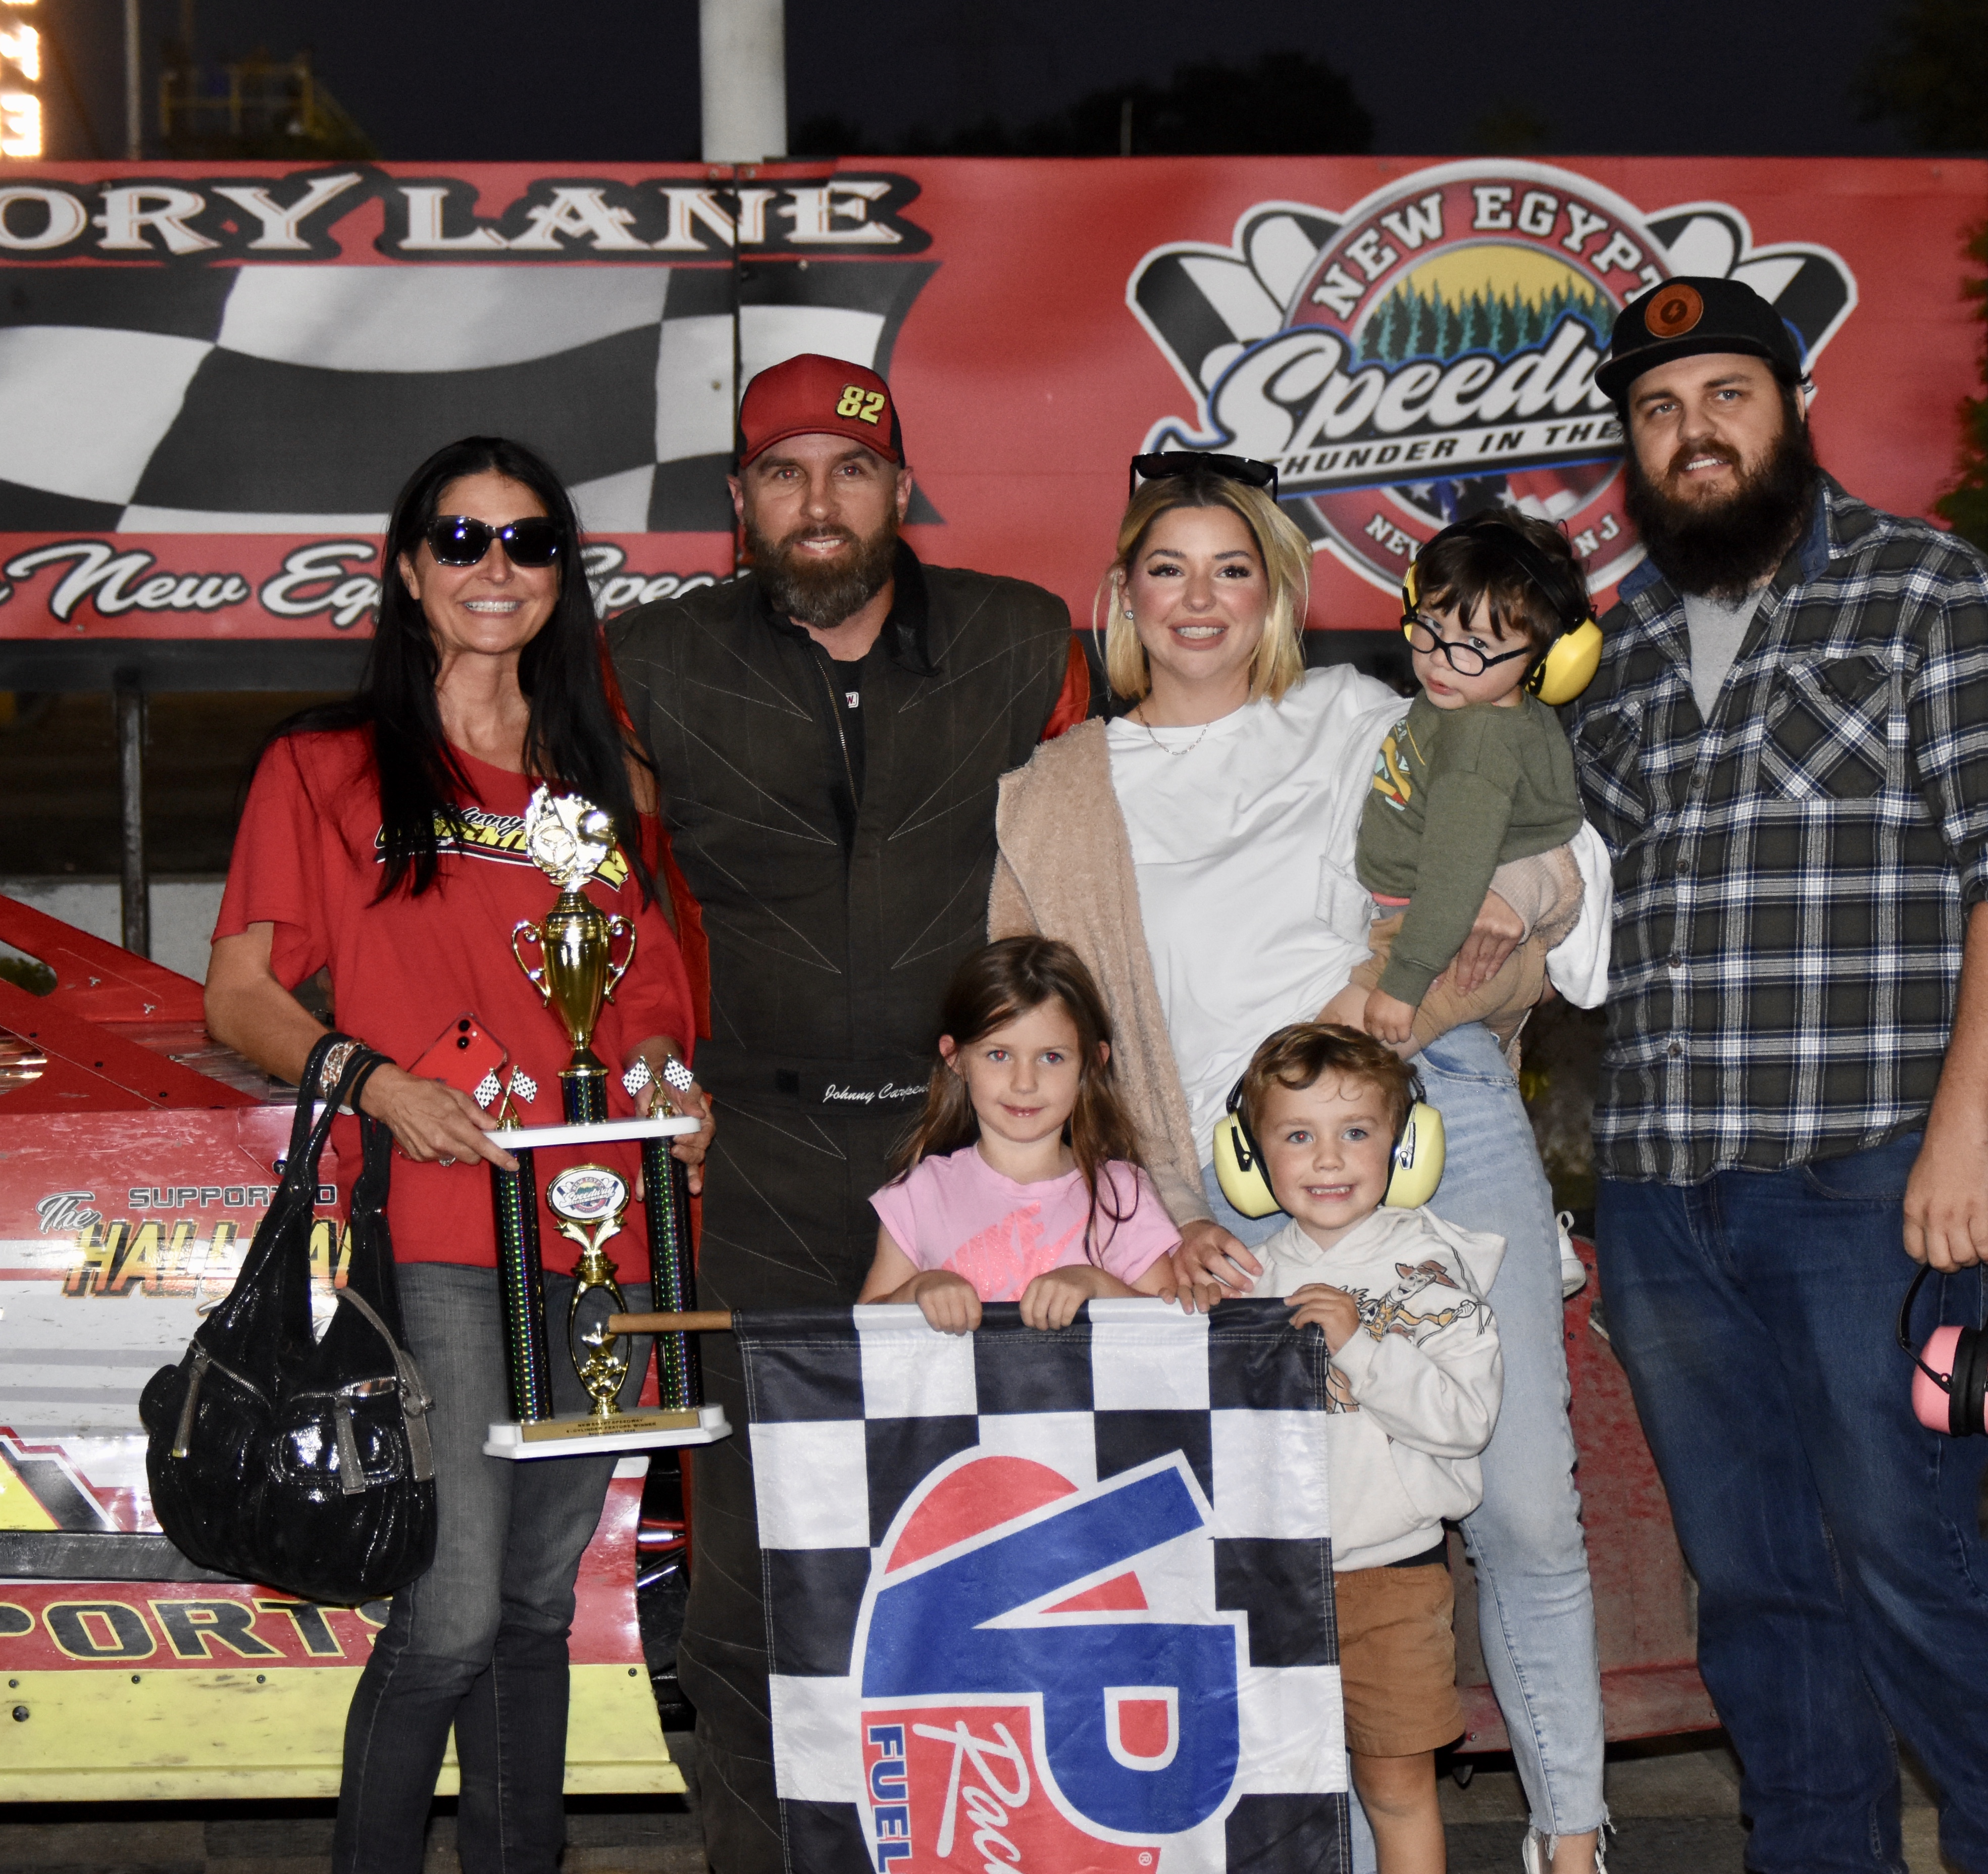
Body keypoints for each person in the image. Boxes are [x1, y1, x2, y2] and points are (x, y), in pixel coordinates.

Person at [992, 453, 1610, 1874]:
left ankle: (1571, 1842)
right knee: (1299, 1546)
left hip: (1436, 1117)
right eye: (1168, 568)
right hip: (1229, 1192)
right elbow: (1040, 1053)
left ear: (1279, 591)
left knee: (1522, 1499)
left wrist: (1490, 909)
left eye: (1234, 568)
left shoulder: (1358, 717)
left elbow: (1554, 857)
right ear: (1121, 594)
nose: (1199, 599)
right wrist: (1149, 1222)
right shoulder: (1053, 793)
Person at [1573, 276, 1988, 1873]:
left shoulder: (1929, 592)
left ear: (1794, 408)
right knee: (1751, 1584)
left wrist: (1964, 1136)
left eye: (1724, 396)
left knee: (1910, 1562)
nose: (1691, 433)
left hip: (1870, 1178)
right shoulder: (1616, 645)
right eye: (1657, 410)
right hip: (1661, 1192)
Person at [605, 354, 1089, 1872]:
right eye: (785, 472)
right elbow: (605, 902)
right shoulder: (649, 660)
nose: (820, 501)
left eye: (853, 469)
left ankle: (1002, 1843)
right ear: (740, 500)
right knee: (756, 1555)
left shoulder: (1023, 638)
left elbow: (1096, 878)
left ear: (901, 488)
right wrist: (649, 1057)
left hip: (983, 1150)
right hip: (755, 1160)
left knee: (1006, 1524)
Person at [203, 435, 713, 1874]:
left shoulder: (600, 776)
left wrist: (670, 1081)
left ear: (563, 573)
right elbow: (238, 994)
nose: (498, 568)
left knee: (539, 1608)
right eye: (463, 539)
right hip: (441, 1229)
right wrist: (375, 1083)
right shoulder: (323, 768)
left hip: (611, 1235)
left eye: (530, 541)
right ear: (408, 568)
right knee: (451, 1613)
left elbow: (645, 990)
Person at [1221, 1023, 1505, 1874]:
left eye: (1355, 1131)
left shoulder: (1431, 1270)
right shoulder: (1242, 1281)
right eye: (1296, 1135)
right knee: (1274, 1798)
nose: (1327, 1158)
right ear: (1250, 1156)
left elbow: (1466, 1418)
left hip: (1392, 1579)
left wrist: (1361, 1346)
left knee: (1396, 1790)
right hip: (1269, 1585)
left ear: (1403, 1144)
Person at [1342, 512, 1591, 1055]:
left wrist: (1405, 982)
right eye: (1431, 624)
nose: (1440, 658)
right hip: (1429, 931)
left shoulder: (1477, 747)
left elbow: (1453, 878)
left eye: (1476, 643)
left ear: (1545, 656)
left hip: (1443, 944)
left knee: (1336, 1064)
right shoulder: (1470, 703)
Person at [860, 934, 1183, 1330]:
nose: (1024, 1082)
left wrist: (1099, 1285)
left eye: (1051, 1057)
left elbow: (1173, 1334)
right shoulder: (918, 1194)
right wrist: (916, 1291)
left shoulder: (1123, 1195)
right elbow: (860, 1338)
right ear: (955, 1057)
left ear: (1092, 1064)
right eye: (999, 1055)